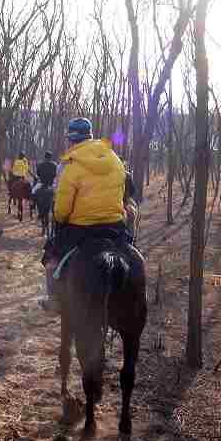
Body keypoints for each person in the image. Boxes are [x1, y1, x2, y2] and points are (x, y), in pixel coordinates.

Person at [39, 117, 132, 312]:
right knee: (129, 251)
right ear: (90, 136)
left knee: (51, 258)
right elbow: (124, 188)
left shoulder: (68, 165)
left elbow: (62, 210)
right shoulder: (114, 158)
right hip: (115, 226)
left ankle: (54, 298)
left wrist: (60, 218)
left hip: (81, 229)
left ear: (71, 140)